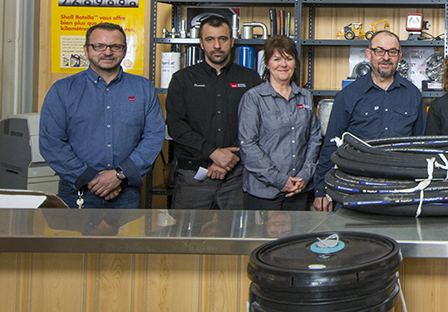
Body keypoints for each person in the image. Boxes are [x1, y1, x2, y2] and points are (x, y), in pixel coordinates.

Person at [39, 22, 166, 209]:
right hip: (77, 191)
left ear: (124, 50)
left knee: (125, 239)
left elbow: (154, 136)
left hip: (126, 191)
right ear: (86, 49)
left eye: (115, 46)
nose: (107, 52)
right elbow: (51, 142)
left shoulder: (143, 88)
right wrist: (92, 178)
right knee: (74, 240)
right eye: (99, 46)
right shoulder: (63, 90)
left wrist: (119, 176)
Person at [314, 30, 426, 210]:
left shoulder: (413, 95)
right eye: (380, 51)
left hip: (401, 189)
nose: (386, 57)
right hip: (355, 187)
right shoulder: (348, 95)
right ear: (369, 54)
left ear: (399, 56)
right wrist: (322, 189)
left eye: (392, 52)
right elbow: (331, 144)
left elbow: (420, 147)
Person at [166, 15, 261, 209]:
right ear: (201, 43)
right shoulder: (182, 79)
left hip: (237, 176)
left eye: (223, 39)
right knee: (187, 236)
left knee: (238, 236)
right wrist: (213, 153)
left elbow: (258, 124)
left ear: (232, 41)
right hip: (193, 176)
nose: (217, 45)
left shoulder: (250, 78)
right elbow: (176, 126)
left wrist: (228, 160)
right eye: (210, 39)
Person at [238, 35, 321, 210]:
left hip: (299, 189)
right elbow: (248, 145)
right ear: (267, 63)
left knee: (297, 237)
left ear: (295, 63)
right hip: (263, 193)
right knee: (262, 238)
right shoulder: (253, 98)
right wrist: (280, 180)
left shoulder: (305, 96)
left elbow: (314, 138)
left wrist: (305, 176)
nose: (283, 65)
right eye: (277, 59)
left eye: (288, 59)